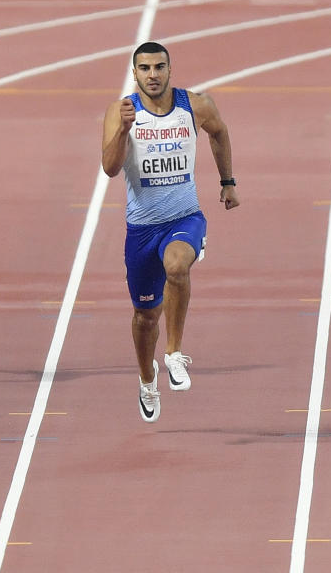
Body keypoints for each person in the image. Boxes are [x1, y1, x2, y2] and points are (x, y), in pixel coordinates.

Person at [102, 42, 240, 423]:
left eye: (159, 67)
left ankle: (175, 352)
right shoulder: (121, 112)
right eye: (144, 68)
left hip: (185, 218)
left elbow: (219, 132)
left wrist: (228, 181)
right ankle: (147, 379)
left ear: (169, 69)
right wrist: (123, 131)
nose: (152, 75)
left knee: (178, 266)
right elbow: (110, 169)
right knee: (145, 317)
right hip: (142, 230)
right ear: (135, 73)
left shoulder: (194, 105)